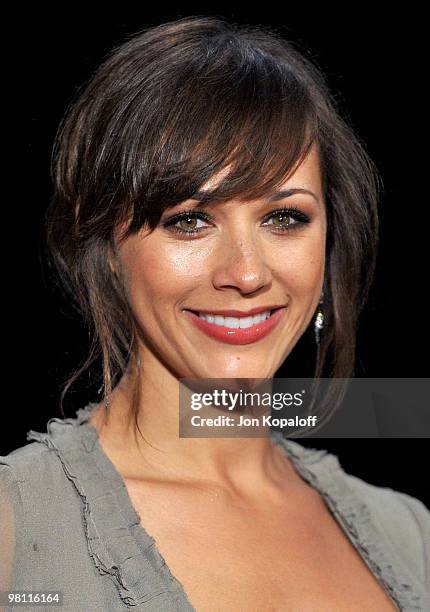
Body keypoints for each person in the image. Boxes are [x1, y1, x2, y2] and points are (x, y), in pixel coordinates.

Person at [1, 15, 429, 612]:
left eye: (285, 218)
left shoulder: (411, 534)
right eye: (190, 220)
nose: (247, 274)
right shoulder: (16, 531)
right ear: (107, 250)